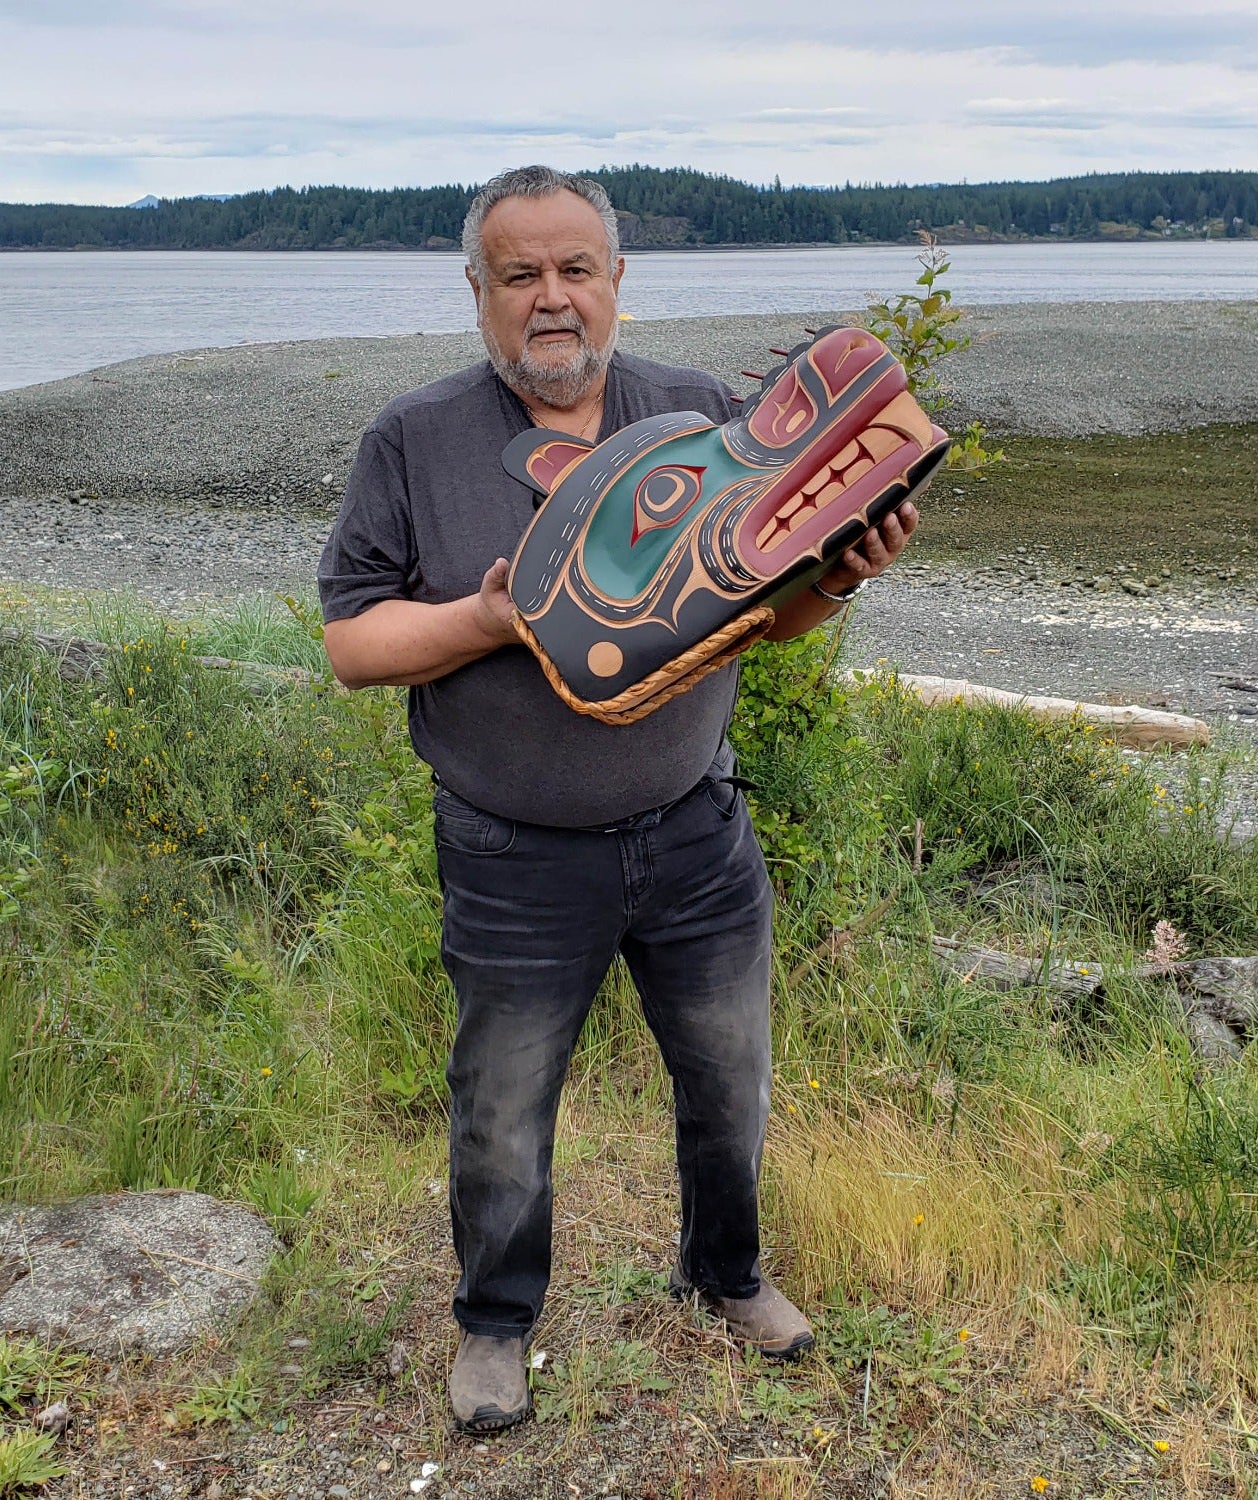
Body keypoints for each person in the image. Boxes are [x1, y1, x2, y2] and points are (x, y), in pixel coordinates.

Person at [318, 165, 918, 1433]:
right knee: (501, 1108)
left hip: (695, 829)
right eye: (520, 274)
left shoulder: (702, 417)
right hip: (511, 851)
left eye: (575, 269)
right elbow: (353, 644)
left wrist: (841, 577)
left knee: (729, 1080)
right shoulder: (414, 439)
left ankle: (727, 1276)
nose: (552, 300)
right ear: (477, 292)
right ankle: (494, 1326)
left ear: (617, 284)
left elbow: (771, 621)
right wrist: (489, 616)